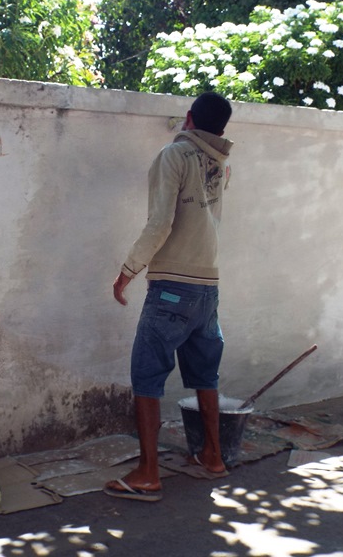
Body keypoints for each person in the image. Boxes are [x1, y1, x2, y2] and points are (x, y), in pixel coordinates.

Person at [104, 92, 234, 502]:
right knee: (204, 376)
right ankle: (213, 456)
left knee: (146, 375)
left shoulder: (173, 156)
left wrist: (127, 270)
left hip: (172, 287)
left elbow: (161, 222)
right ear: (221, 129)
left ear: (189, 118)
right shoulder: (220, 164)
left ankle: (147, 474)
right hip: (207, 286)